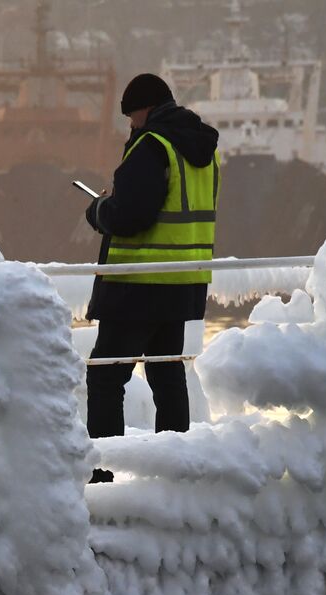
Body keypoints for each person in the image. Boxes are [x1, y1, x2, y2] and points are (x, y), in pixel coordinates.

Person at [83, 73, 220, 482]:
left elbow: (130, 216)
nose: (130, 125)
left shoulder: (152, 146)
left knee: (106, 374)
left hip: (138, 284)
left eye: (131, 116)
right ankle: (172, 470)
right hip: (181, 283)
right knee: (166, 371)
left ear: (145, 109)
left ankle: (103, 474)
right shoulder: (202, 151)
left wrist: (99, 210)